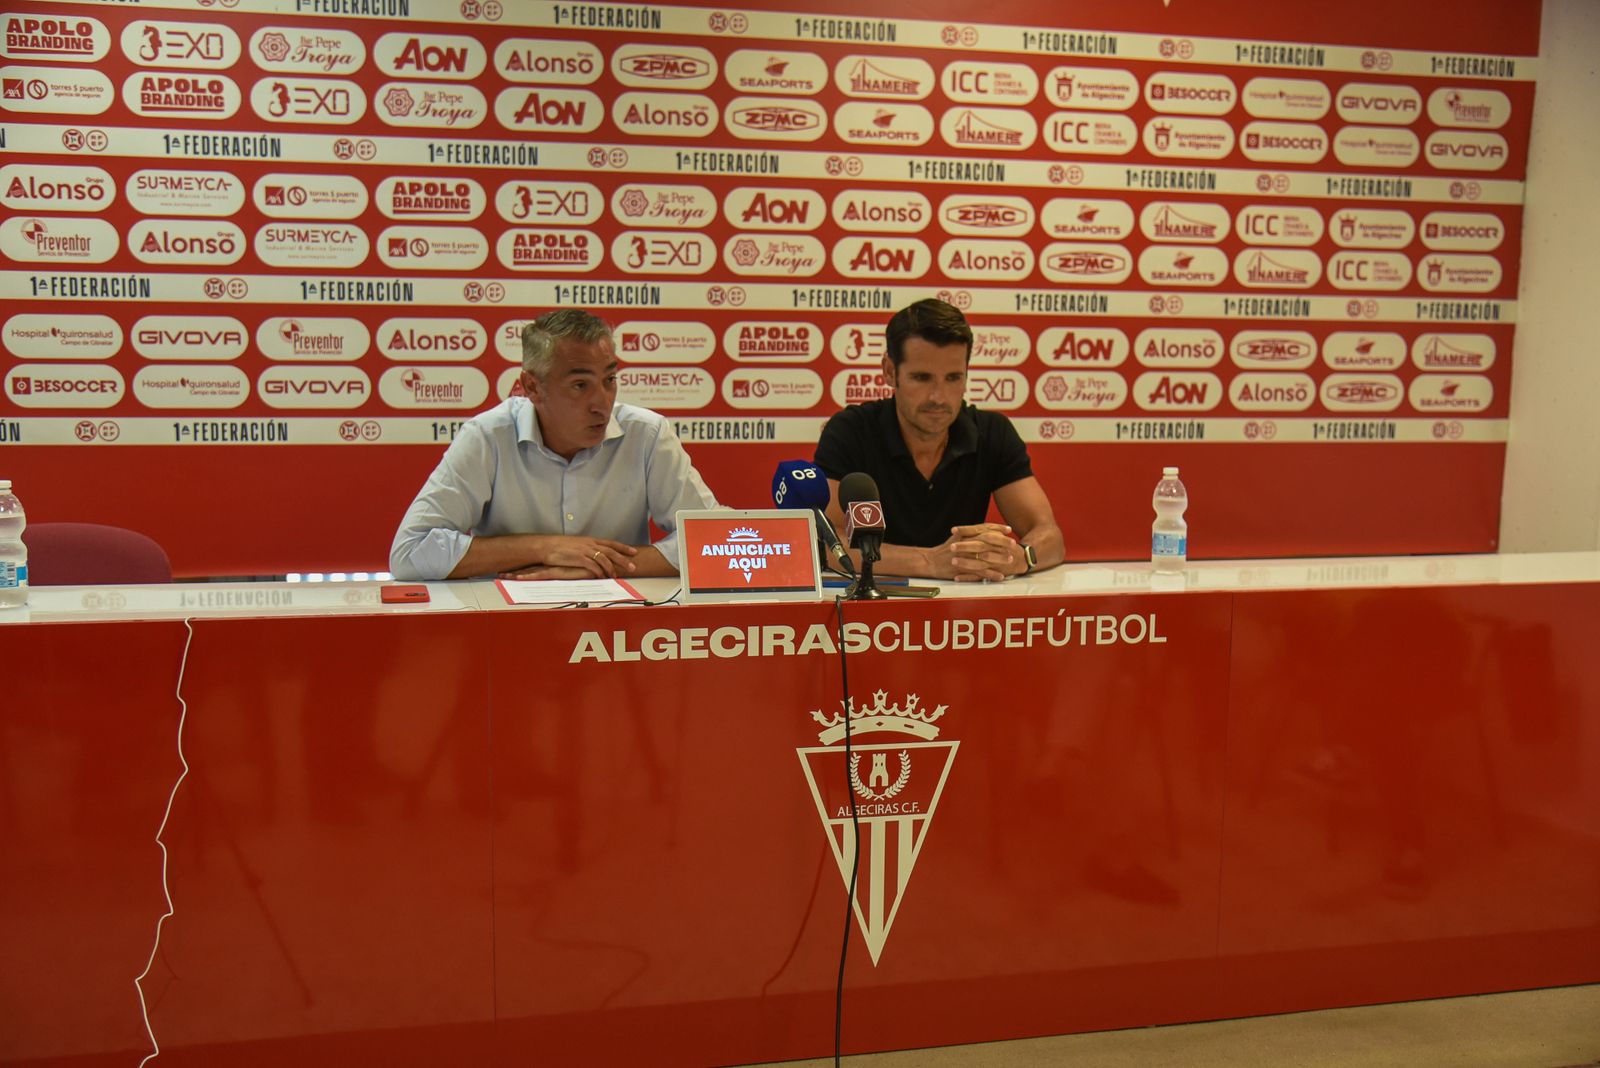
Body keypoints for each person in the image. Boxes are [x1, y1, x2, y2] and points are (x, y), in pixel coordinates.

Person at [389, 309, 717, 580]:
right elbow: (410, 552)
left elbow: (720, 542)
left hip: (619, 629)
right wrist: (544, 548)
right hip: (504, 626)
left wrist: (596, 565)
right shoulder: (489, 436)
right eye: (579, 384)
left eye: (609, 380)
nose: (601, 403)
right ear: (532, 387)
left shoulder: (647, 434)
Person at [814, 298, 1064, 582]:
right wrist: (931, 562)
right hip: (873, 610)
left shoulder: (993, 432)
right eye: (922, 378)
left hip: (963, 615)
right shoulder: (851, 431)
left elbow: (1050, 536)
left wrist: (1018, 557)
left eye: (953, 378)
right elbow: (826, 544)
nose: (939, 398)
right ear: (889, 371)